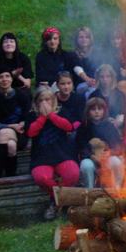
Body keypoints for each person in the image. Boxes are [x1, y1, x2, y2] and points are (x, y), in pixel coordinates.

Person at [26, 87, 80, 220]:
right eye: (41, 100)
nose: (44, 103)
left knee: (73, 173)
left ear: (53, 100)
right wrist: (43, 117)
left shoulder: (61, 111)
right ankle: (61, 201)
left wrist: (51, 115)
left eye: (47, 99)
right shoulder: (32, 114)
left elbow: (69, 127)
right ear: (36, 102)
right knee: (42, 178)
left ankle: (55, 202)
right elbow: (31, 132)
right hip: (41, 157)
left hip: (62, 154)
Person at [76, 97, 125, 190]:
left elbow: (117, 145)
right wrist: (92, 156)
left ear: (104, 111)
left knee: (116, 162)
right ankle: (90, 190)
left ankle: (116, 190)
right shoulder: (84, 127)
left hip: (107, 157)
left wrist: (109, 153)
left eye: (99, 109)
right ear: (88, 111)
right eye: (93, 109)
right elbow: (80, 146)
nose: (97, 112)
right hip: (90, 159)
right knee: (86, 166)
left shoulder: (109, 126)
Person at [0, 67, 29, 177]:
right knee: (8, 141)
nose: (4, 79)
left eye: (7, 76)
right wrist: (10, 126)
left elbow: (28, 116)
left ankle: (5, 175)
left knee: (11, 143)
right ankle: (10, 175)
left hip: (20, 132)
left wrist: (23, 123)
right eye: (0, 77)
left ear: (12, 79)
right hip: (1, 129)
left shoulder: (22, 95)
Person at [89, 64, 126, 131]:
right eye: (102, 77)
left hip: (116, 127)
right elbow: (89, 114)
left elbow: (123, 113)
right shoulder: (94, 95)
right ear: (98, 78)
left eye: (108, 76)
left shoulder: (119, 95)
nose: (105, 79)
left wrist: (117, 121)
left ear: (112, 78)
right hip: (98, 127)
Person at [0, 33, 33, 98]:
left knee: (25, 94)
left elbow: (27, 83)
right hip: (2, 89)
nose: (9, 44)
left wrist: (15, 74)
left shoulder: (23, 58)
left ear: (15, 44)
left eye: (11, 41)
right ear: (1, 45)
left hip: (20, 89)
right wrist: (14, 74)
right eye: (5, 42)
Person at [67, 26, 98, 95]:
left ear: (90, 39)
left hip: (95, 82)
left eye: (87, 37)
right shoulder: (73, 55)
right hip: (80, 84)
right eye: (81, 37)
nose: (84, 39)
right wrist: (88, 80)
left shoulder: (96, 53)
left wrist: (97, 80)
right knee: (91, 91)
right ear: (77, 39)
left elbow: (100, 68)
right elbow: (77, 69)